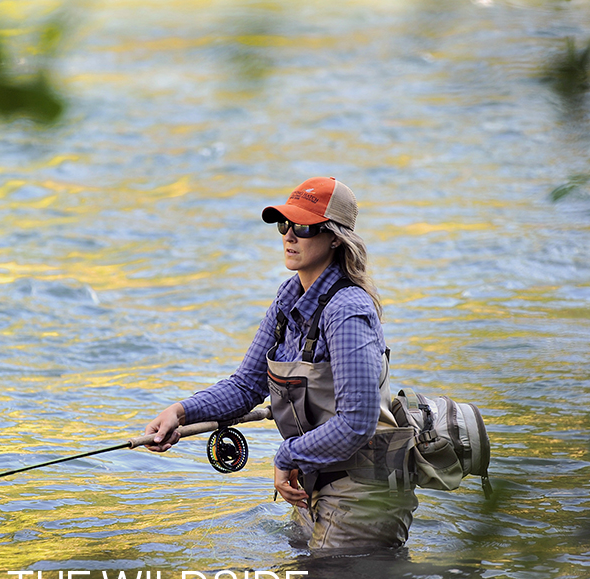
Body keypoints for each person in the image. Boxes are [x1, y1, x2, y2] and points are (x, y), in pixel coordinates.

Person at [144, 177, 417, 550]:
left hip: (364, 497)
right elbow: (246, 386)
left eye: (303, 227)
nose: (289, 235)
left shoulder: (348, 310)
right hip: (310, 487)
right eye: (283, 224)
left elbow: (357, 422)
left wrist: (288, 454)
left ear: (335, 237)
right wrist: (180, 411)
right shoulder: (288, 298)